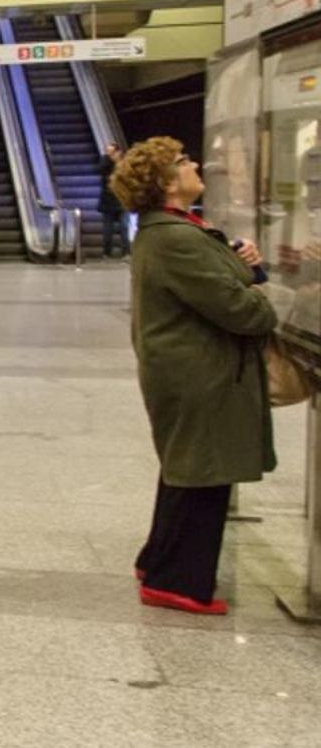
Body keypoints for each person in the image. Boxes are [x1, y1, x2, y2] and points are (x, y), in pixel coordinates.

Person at [111, 136, 276, 615]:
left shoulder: (173, 230)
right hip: (199, 373)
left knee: (186, 468)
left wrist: (247, 267)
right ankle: (177, 581)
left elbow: (224, 281)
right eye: (183, 162)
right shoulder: (176, 238)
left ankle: (159, 560)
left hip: (189, 369)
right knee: (205, 472)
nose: (194, 165)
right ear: (165, 182)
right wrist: (263, 302)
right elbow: (239, 310)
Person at [99, 142, 130, 258]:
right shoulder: (105, 162)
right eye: (107, 152)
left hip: (122, 200)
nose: (109, 154)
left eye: (112, 152)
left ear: (119, 152)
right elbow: (99, 171)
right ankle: (106, 253)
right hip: (107, 201)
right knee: (108, 228)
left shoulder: (124, 164)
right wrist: (109, 161)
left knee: (124, 226)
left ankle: (127, 251)